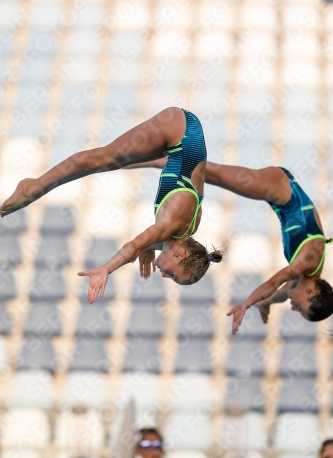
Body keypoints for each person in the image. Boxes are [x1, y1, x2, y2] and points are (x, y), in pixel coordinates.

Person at [0, 107, 223, 302]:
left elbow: (146, 245)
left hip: (184, 142)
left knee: (113, 162)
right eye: (173, 275)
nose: (165, 276)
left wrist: (148, 249)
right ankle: (33, 188)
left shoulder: (184, 232)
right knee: (103, 159)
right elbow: (133, 246)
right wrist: (107, 268)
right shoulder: (173, 223)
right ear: (179, 256)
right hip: (180, 129)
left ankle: (39, 185)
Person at [128, 159, 333, 331]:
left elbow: (279, 293)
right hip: (281, 189)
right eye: (301, 307)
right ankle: (141, 160)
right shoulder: (308, 262)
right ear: (311, 293)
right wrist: (246, 304)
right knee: (209, 173)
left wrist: (264, 305)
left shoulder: (307, 275)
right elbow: (274, 283)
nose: (294, 308)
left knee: (207, 173)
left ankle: (146, 160)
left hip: (281, 194)